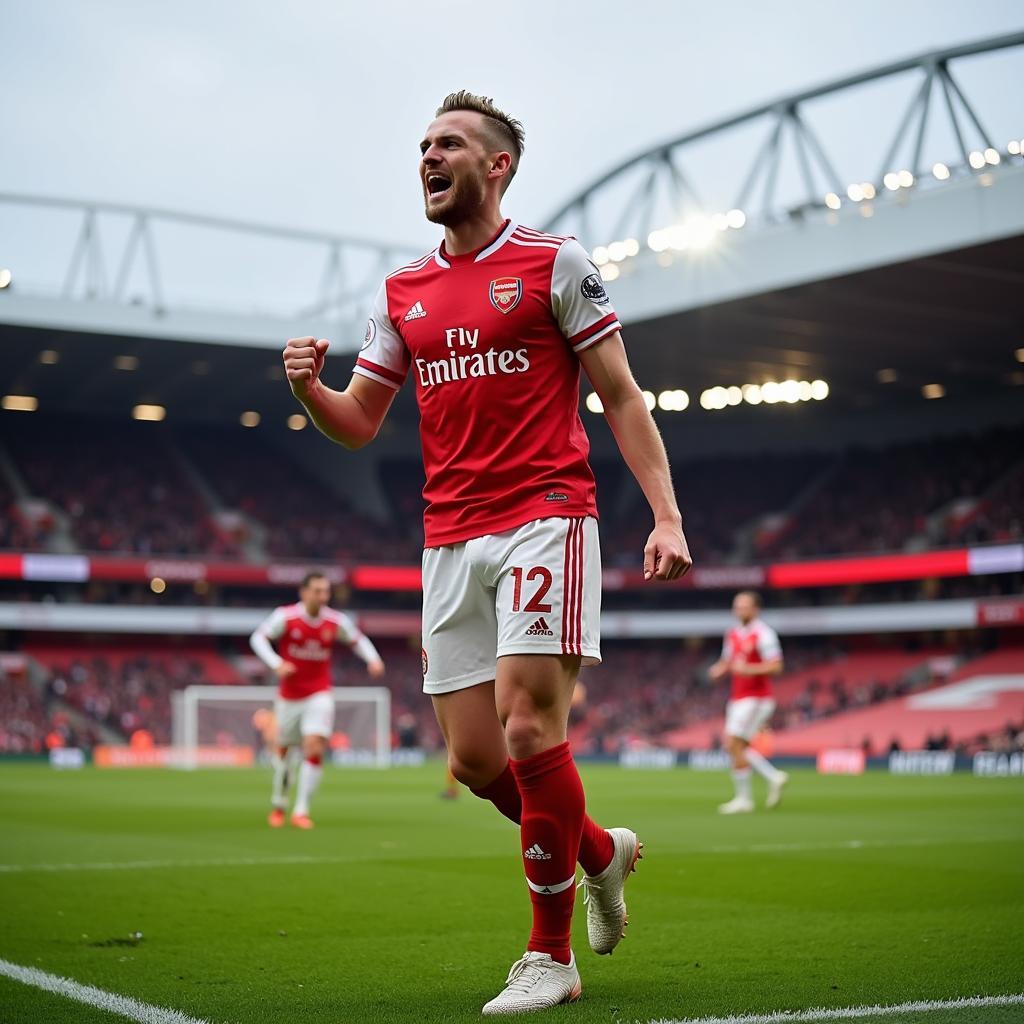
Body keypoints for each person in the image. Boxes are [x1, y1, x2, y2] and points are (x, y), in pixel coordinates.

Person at [282, 91, 691, 1014]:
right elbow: (359, 421)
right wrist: (311, 392)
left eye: (450, 144)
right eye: (423, 145)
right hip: (447, 535)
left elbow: (622, 395)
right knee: (474, 762)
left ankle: (549, 957)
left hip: (547, 514)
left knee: (529, 725)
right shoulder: (403, 292)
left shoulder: (555, 262)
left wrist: (663, 514)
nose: (429, 157)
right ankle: (600, 852)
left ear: (496, 165)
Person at [249, 572, 385, 828]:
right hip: (289, 698)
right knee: (285, 753)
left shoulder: (335, 621)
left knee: (314, 745)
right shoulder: (286, 617)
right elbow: (257, 638)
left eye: (326, 591)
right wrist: (277, 664)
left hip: (319, 693)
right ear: (304, 592)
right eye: (318, 591)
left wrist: (373, 659)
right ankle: (279, 802)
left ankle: (301, 810)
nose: (323, 596)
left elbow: (358, 639)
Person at [708, 591, 787, 814]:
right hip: (738, 697)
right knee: (737, 747)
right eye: (737, 606)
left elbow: (777, 666)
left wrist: (750, 669)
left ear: (755, 609)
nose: (739, 610)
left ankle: (745, 799)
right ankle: (773, 777)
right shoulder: (732, 633)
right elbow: (728, 660)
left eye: (744, 606)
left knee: (733, 744)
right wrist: (718, 670)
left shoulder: (764, 634)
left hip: (756, 698)